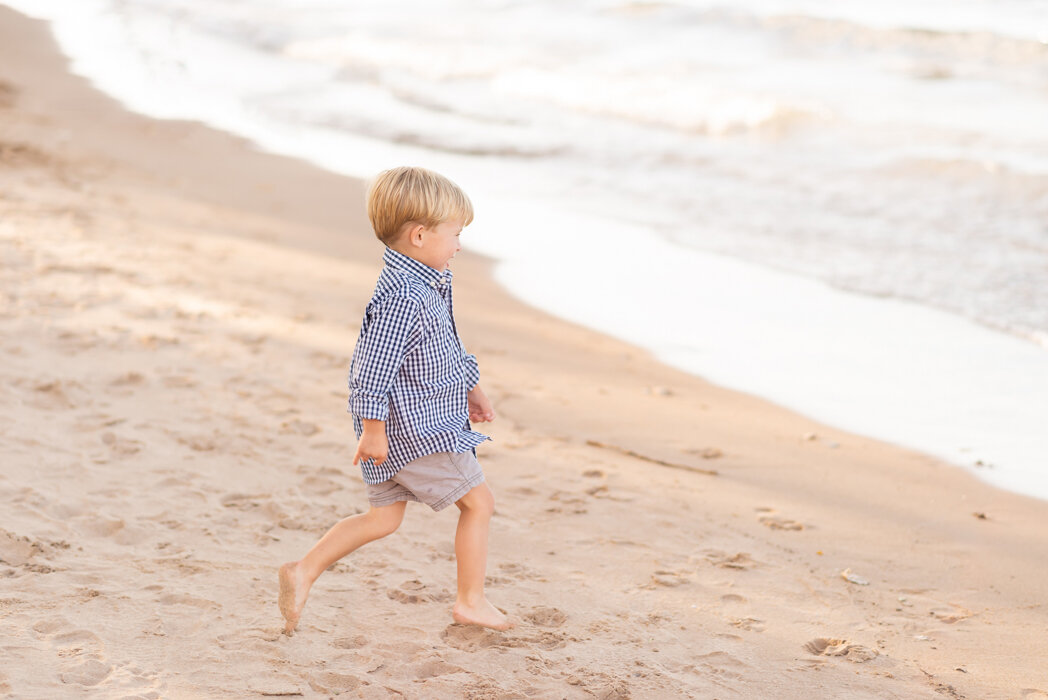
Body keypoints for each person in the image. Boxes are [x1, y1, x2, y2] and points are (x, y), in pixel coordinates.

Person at [278, 166, 513, 636]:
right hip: (417, 429)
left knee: (383, 519)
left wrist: (471, 386)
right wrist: (372, 430)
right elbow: (372, 368)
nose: (461, 245)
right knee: (479, 504)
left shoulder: (428, 280)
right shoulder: (404, 295)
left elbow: (445, 344)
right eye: (456, 234)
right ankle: (470, 601)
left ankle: (302, 570)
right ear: (421, 235)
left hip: (413, 423)